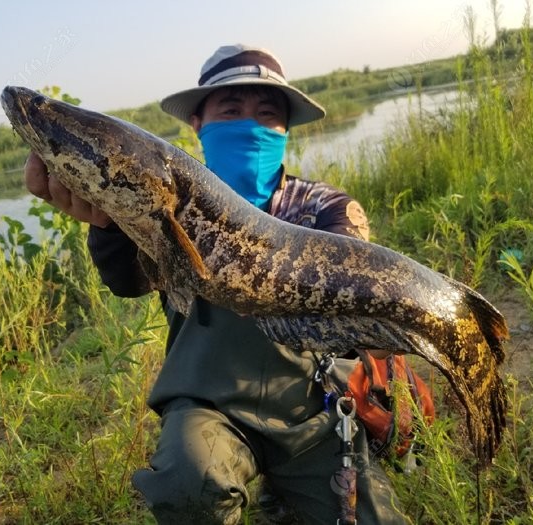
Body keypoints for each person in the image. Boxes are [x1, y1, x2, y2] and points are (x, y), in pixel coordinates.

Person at [25, 44, 405, 524]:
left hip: (310, 412)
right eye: (231, 110)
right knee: (188, 486)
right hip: (210, 411)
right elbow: (127, 280)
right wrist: (109, 223)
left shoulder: (324, 209)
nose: (251, 124)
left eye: (267, 113)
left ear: (285, 129)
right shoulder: (164, 205)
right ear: (198, 124)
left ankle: (284, 488)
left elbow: (349, 309)